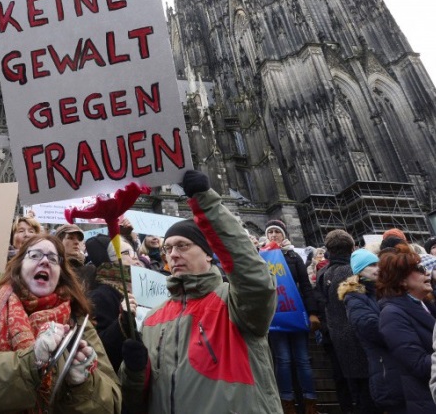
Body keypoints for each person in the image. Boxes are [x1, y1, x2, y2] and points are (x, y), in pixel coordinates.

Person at [120, 170, 281, 413]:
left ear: (208, 252)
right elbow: (135, 402)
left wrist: (207, 204)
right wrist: (133, 372)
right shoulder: (153, 318)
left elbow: (254, 277)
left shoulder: (234, 303)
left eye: (183, 245)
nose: (173, 254)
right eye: (168, 249)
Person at [0, 234, 121, 413]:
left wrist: (83, 384)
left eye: (53, 259)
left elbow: (113, 405)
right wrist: (31, 361)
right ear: (19, 267)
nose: (45, 261)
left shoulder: (79, 325)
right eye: (35, 255)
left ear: (61, 274)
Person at [264, 219, 320, 414]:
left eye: (277, 232)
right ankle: (287, 402)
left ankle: (310, 402)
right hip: (276, 316)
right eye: (270, 232)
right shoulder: (262, 256)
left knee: (303, 359)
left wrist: (312, 312)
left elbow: (305, 286)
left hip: (296, 313)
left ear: (284, 235)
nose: (273, 235)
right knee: (283, 359)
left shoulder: (293, 256)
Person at [339, 249, 405, 413]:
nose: (378, 269)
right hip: (385, 367)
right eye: (372, 265)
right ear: (360, 271)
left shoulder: (388, 290)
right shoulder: (354, 296)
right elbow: (369, 327)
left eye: (378, 264)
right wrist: (403, 332)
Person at [319, 229, 376, 412]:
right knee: (369, 393)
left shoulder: (323, 274)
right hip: (361, 337)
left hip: (339, 339)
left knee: (355, 391)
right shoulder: (354, 271)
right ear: (353, 247)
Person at [378, 245, 436, 414]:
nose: (426, 273)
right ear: (401, 280)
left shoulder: (425, 304)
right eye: (419, 269)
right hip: (425, 400)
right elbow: (418, 365)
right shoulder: (391, 314)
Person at [89, 235, 140, 372]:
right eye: (126, 253)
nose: (135, 257)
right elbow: (98, 348)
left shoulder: (139, 291)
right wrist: (122, 322)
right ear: (110, 261)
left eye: (134, 252)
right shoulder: (100, 296)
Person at [54, 224, 96, 291]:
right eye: (70, 238)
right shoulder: (52, 268)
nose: (77, 242)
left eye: (79, 239)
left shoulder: (90, 270)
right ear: (59, 242)